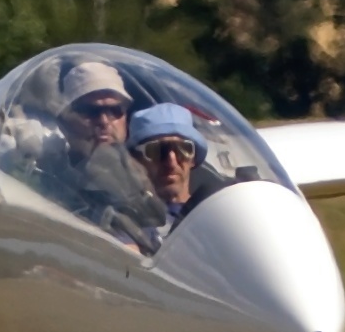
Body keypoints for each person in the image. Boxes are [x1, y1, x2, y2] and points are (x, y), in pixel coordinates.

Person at [35, 59, 148, 227]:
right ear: (64, 121)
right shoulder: (46, 177)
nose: (104, 121)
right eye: (91, 111)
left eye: (115, 110)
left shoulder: (147, 175)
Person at [126, 103, 224, 246]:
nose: (171, 162)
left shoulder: (217, 214)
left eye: (183, 149)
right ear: (136, 161)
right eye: (157, 151)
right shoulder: (127, 222)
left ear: (193, 157)